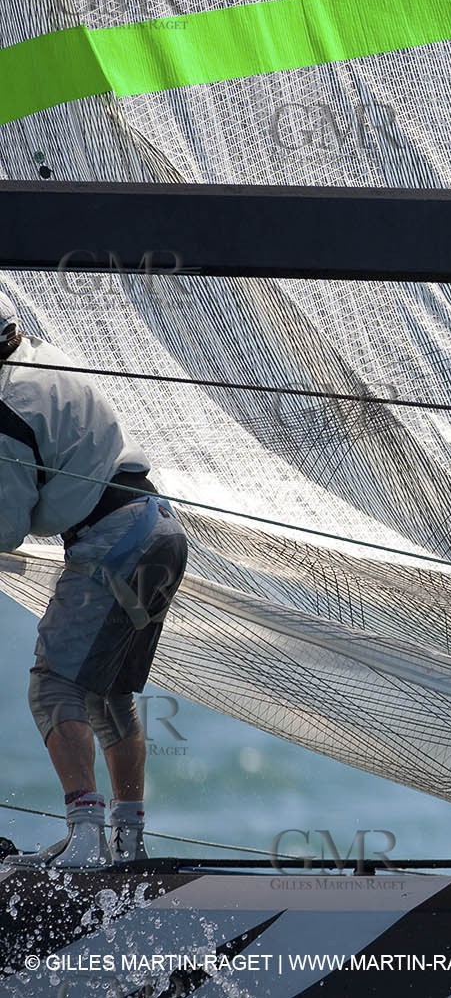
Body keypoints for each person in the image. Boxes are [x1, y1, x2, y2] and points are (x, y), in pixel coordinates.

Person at [0, 290, 188, 870]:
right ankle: (126, 840)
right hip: (161, 530)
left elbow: (5, 529)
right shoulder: (46, 358)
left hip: (115, 541)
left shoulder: (5, 410)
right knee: (108, 693)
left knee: (52, 686)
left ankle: (84, 841)